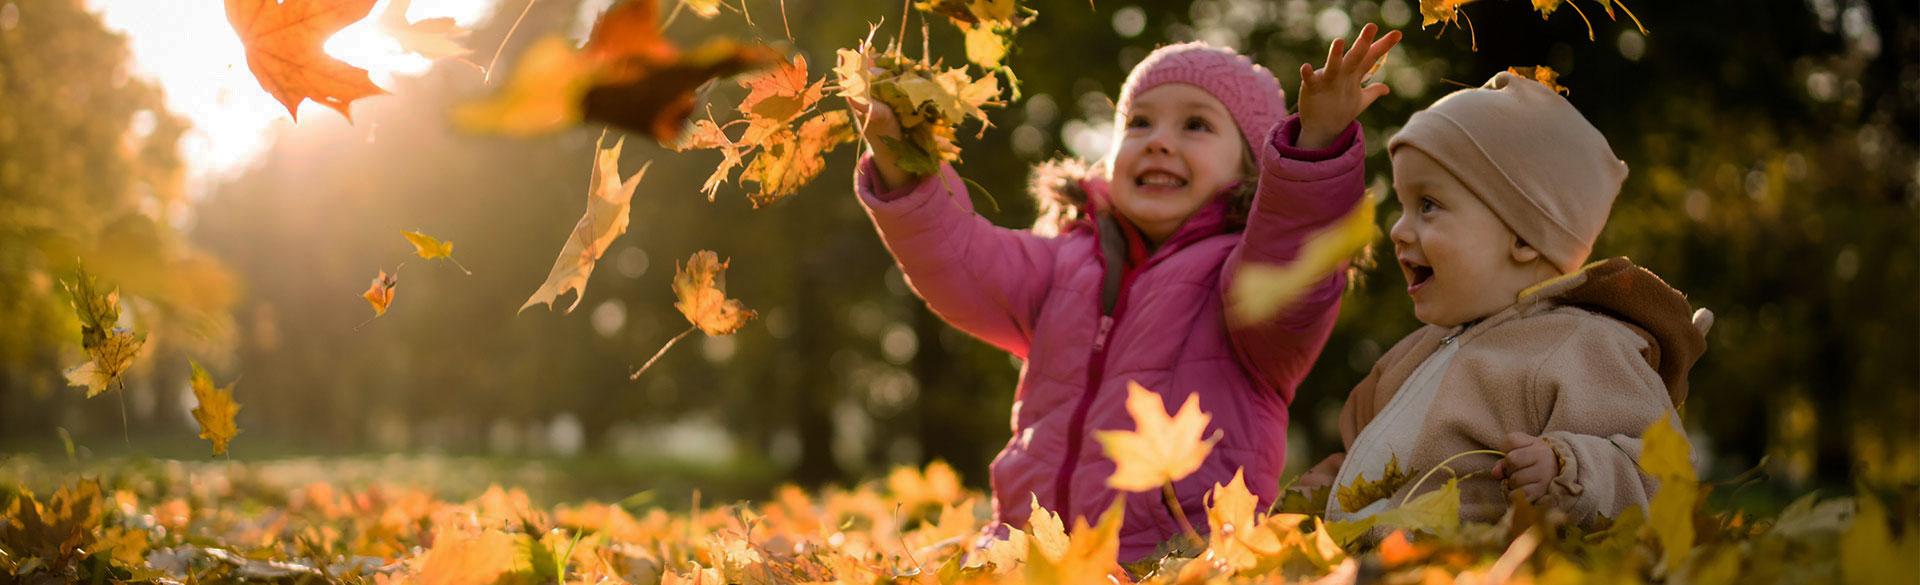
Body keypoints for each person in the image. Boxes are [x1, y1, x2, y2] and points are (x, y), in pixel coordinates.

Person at [848, 25, 1400, 559]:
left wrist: (1316, 147)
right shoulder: (1062, 260)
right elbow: (959, 257)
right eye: (1139, 123)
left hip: (1174, 560)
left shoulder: (1242, 281)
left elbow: (1292, 252)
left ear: (1252, 167)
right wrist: (902, 159)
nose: (1159, 141)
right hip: (1029, 556)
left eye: (1196, 126)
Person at [1299, 71, 1714, 531]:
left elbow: (1663, 475)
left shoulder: (1583, 347)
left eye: (1428, 205)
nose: (1397, 229)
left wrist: (1569, 470)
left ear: (1522, 237)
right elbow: (1380, 465)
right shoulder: (1409, 357)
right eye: (1402, 205)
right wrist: (1330, 484)